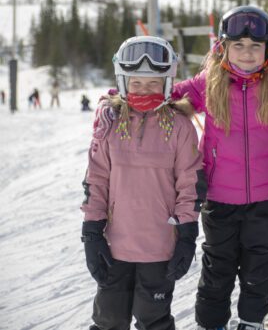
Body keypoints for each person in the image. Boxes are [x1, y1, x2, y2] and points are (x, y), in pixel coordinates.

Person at [173, 6, 268, 330]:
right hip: (219, 197)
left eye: (254, 46)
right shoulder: (209, 82)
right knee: (217, 268)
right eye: (238, 46)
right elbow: (168, 99)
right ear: (223, 47)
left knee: (258, 267)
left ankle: (251, 322)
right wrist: (126, 98)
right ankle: (211, 324)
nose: (246, 54)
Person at [80, 35, 204, 330]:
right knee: (109, 318)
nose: (144, 90)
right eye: (136, 83)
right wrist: (92, 232)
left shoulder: (180, 127)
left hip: (160, 247)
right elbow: (96, 180)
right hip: (115, 246)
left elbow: (190, 185)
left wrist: (187, 235)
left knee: (154, 319)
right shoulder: (110, 124)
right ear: (123, 83)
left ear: (167, 83)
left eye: (153, 83)